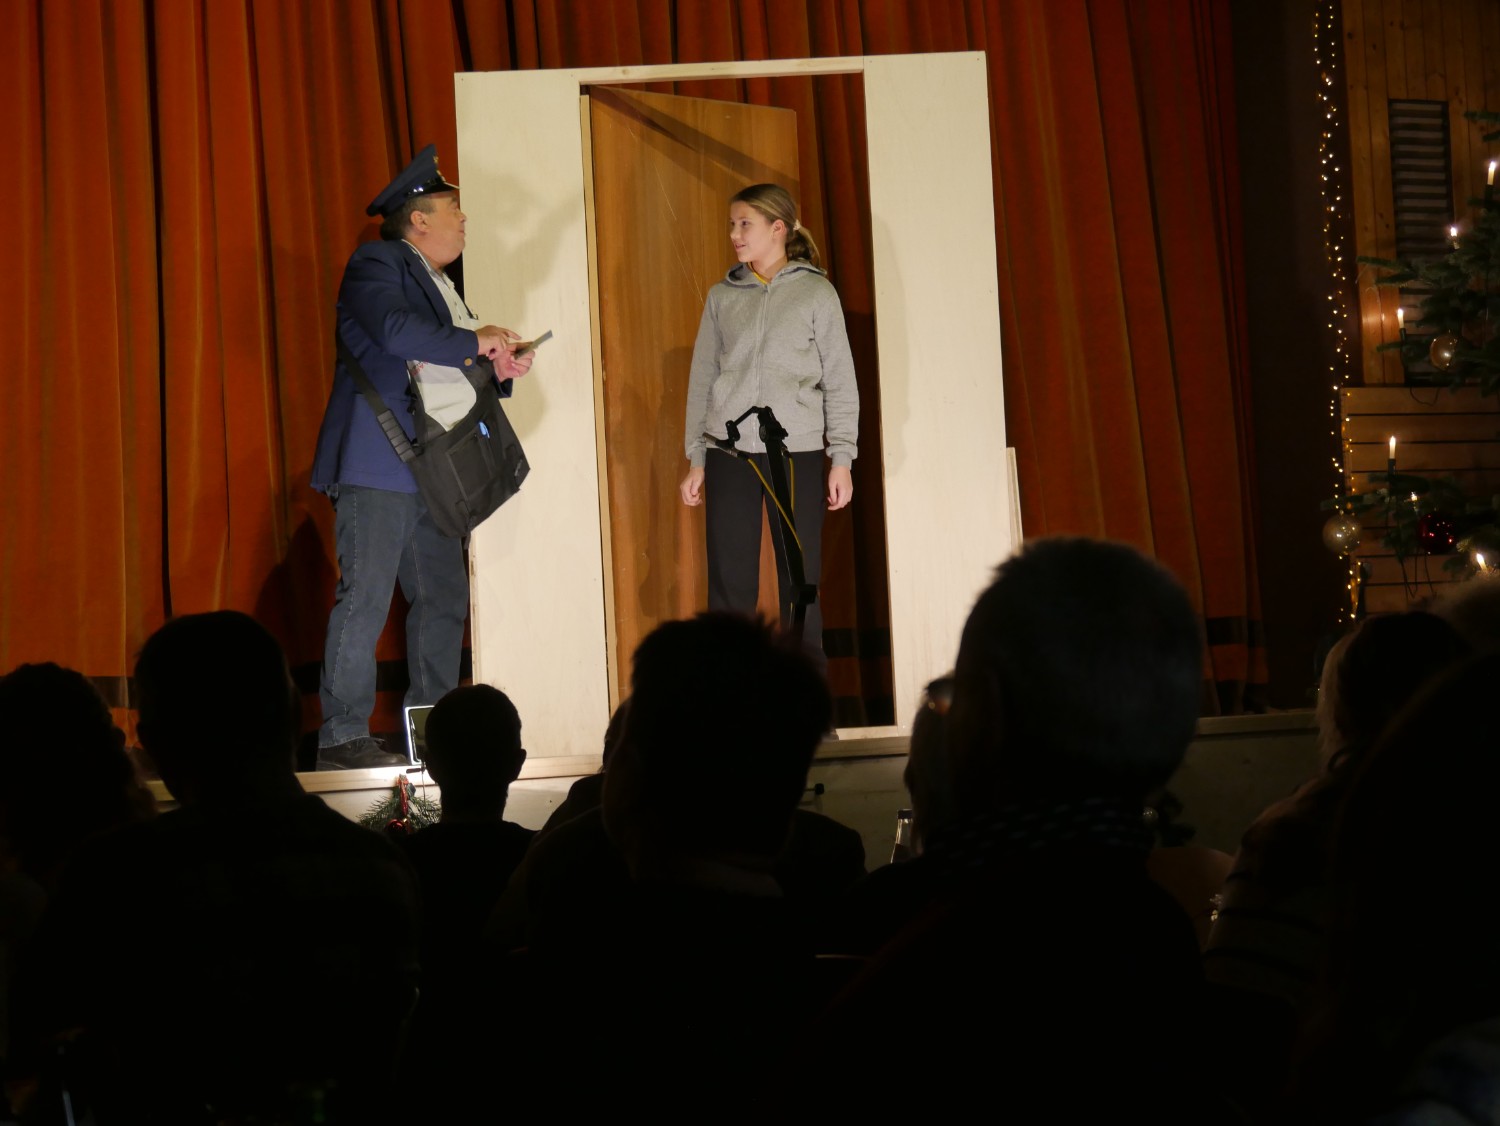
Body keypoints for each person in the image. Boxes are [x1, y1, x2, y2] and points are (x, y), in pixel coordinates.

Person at [9, 612, 421, 1123]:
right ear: (295, 716)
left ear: (155, 742)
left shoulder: (116, 877)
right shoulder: (382, 869)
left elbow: (36, 1049)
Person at [311, 144, 534, 770]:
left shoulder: (439, 282)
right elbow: (395, 332)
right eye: (453, 209)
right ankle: (342, 737)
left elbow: (443, 366)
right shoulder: (378, 263)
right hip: (378, 461)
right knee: (366, 594)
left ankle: (430, 739)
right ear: (418, 219)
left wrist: (497, 368)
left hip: (432, 468)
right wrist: (474, 339)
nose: (463, 220)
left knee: (442, 600)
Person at [679, 184, 859, 672]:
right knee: (729, 585)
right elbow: (703, 381)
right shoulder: (722, 297)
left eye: (745, 224)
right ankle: (729, 697)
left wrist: (842, 457)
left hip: (795, 451)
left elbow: (840, 380)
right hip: (729, 454)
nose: (734, 234)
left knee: (800, 584)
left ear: (778, 229)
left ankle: (805, 701)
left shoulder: (816, 294)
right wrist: (697, 457)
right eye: (732, 224)